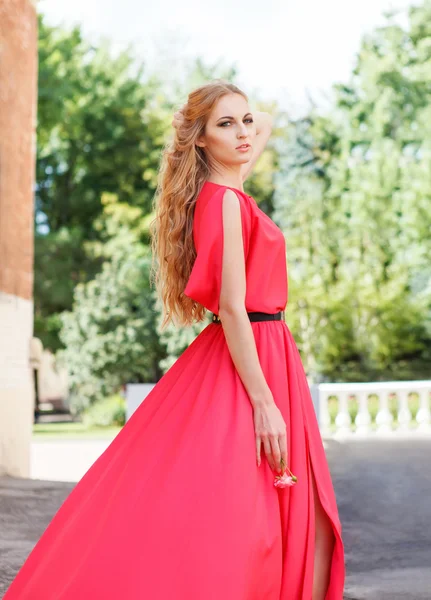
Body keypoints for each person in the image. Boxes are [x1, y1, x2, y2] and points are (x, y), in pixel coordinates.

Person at [3, 79, 345, 599]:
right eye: (225, 125)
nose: (245, 132)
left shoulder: (226, 188)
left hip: (268, 350)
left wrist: (233, 123)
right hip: (252, 353)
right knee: (270, 515)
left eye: (245, 120)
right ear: (201, 140)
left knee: (301, 510)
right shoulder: (226, 200)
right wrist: (264, 402)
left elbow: (260, 128)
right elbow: (232, 306)